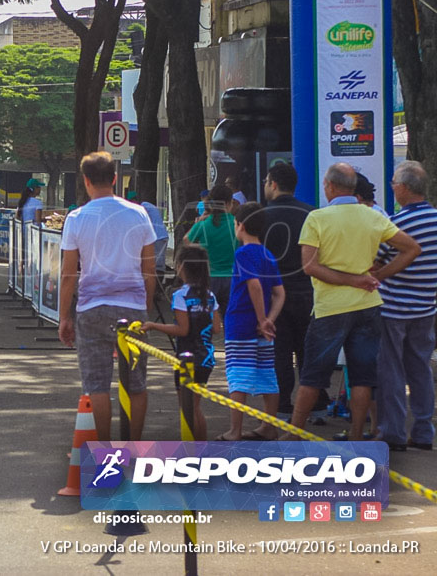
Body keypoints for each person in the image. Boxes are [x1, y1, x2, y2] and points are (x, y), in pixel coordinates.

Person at [289, 163, 421, 440]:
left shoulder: (317, 218)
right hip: (368, 306)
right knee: (362, 376)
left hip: (330, 308)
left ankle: (295, 432)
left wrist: (352, 280)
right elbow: (412, 248)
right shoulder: (372, 216)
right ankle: (357, 434)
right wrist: (378, 275)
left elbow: (310, 267)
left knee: (313, 374)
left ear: (330, 186)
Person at [58, 152, 157, 441]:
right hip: (132, 307)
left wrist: (65, 317)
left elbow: (68, 275)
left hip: (92, 309)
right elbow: (149, 268)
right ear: (115, 179)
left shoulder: (76, 219)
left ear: (86, 181)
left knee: (97, 385)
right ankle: (133, 445)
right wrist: (145, 306)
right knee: (136, 384)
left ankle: (104, 450)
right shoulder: (139, 214)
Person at [375, 161, 437, 451]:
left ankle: (394, 434)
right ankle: (424, 432)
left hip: (393, 309)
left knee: (392, 372)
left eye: (393, 184)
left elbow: (375, 262)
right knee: (421, 370)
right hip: (426, 308)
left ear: (404, 188)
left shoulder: (396, 225)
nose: (392, 188)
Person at [262, 161, 330, 420]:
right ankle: (318, 405)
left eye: (267, 182)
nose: (265, 186)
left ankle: (281, 406)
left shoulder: (261, 217)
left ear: (274, 184)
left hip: (274, 295)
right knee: (309, 350)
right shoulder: (312, 214)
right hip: (309, 292)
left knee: (280, 352)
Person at [219, 202, 285, 441]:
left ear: (241, 226)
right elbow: (279, 292)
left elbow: (253, 284)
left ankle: (234, 430)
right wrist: (269, 320)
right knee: (267, 374)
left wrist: (260, 319)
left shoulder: (243, 253)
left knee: (238, 376)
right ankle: (269, 425)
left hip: (241, 322)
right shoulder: (267, 254)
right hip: (262, 327)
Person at [141, 243, 221, 440]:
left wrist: (153, 325)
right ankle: (201, 449)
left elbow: (182, 330)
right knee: (195, 407)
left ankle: (195, 451)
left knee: (188, 409)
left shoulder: (180, 295)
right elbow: (217, 328)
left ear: (181, 266)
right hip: (206, 358)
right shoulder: (209, 296)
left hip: (186, 359)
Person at [184, 184, 238, 316]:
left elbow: (186, 241)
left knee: (205, 319)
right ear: (228, 203)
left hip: (208, 278)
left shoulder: (204, 224)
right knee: (230, 318)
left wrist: (202, 248)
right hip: (232, 278)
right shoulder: (237, 223)